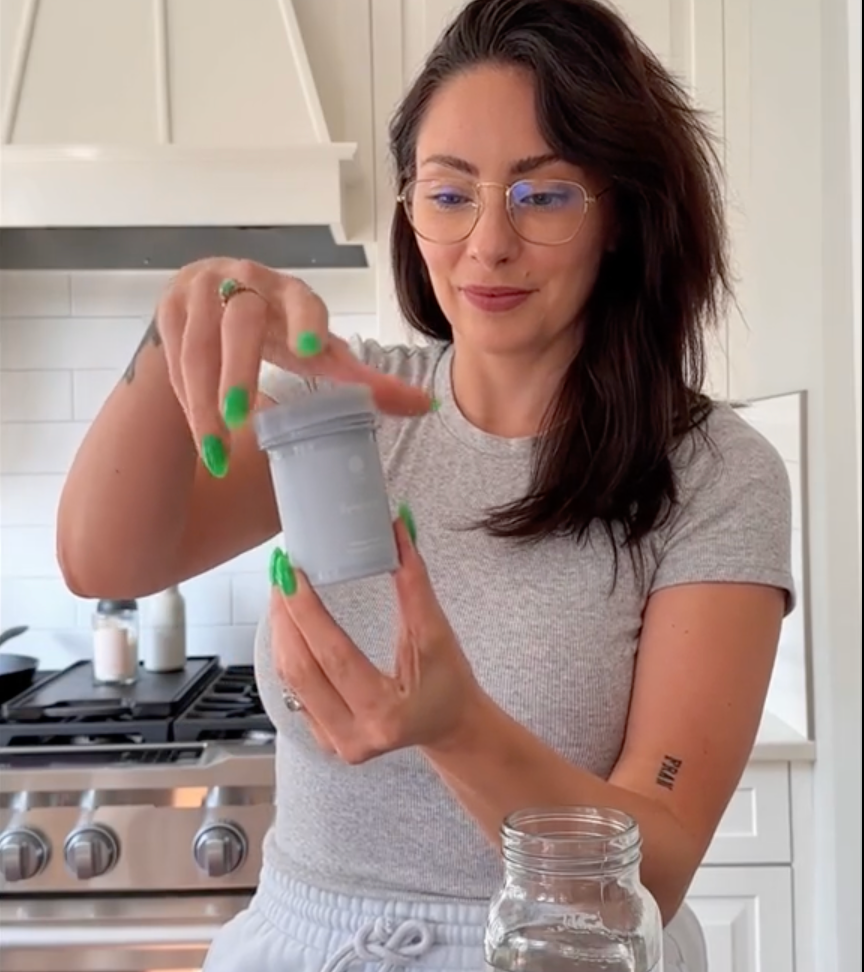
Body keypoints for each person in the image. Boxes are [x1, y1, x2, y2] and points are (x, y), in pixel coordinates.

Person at [57, 0, 794, 969]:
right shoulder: (347, 409)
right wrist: (182, 319)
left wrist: (456, 727)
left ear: (619, 213)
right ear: (410, 207)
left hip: (552, 950)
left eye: (543, 195)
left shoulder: (714, 474)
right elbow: (106, 558)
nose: (488, 244)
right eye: (449, 194)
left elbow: (651, 870)